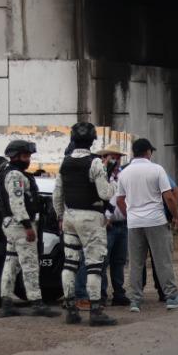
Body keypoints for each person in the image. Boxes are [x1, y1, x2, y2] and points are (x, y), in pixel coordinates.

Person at [116, 138, 178, 312]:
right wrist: (176, 216)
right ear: (148, 152)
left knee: (135, 263)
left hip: (134, 224)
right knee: (162, 260)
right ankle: (171, 297)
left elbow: (119, 200)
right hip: (156, 220)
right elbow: (169, 196)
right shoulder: (156, 169)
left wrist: (130, 215)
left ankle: (135, 300)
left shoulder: (124, 173)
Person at [53, 122, 116, 326]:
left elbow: (57, 195)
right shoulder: (95, 162)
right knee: (94, 265)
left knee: (70, 264)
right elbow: (104, 193)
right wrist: (113, 181)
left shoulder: (65, 162)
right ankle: (96, 310)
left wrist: (61, 216)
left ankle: (71, 309)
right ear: (92, 140)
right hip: (91, 217)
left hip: (70, 217)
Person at [0, 141, 59, 318]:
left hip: (11, 224)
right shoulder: (15, 175)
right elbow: (17, 203)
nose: (28, 160)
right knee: (30, 264)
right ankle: (36, 302)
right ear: (15, 156)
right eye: (25, 156)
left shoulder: (10, 173)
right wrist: (27, 226)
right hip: (20, 225)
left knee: (11, 262)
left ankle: (6, 301)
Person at [75, 144, 129, 306]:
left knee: (118, 261)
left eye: (118, 157)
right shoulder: (99, 177)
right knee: (101, 261)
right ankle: (101, 294)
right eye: (113, 157)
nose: (117, 160)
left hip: (121, 223)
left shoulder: (121, 177)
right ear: (104, 158)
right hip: (106, 224)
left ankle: (118, 292)